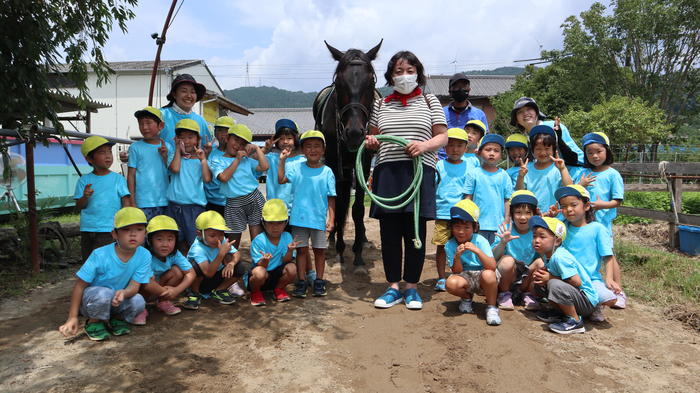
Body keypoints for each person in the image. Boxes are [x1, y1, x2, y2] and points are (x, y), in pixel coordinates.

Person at [365, 50, 447, 310]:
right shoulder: (380, 104)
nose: (404, 76)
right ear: (390, 76)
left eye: (409, 71)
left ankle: (411, 287)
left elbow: (442, 137)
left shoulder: (430, 101)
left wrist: (423, 146)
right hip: (388, 172)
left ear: (418, 74)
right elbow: (372, 138)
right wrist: (372, 142)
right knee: (389, 233)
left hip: (419, 171)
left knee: (415, 233)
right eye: (398, 72)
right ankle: (392, 288)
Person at [58, 207, 151, 341]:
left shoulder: (144, 255)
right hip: (94, 301)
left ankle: (116, 319)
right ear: (114, 234)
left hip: (117, 300)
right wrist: (72, 317)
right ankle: (94, 322)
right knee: (104, 294)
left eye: (139, 229)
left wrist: (124, 293)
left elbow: (134, 286)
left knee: (138, 301)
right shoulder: (100, 254)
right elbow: (79, 286)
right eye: (126, 229)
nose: (133, 234)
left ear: (145, 233)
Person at [278, 130, 336, 298]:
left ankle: (319, 280)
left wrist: (331, 219)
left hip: (318, 220)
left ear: (323, 150)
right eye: (308, 146)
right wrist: (282, 160)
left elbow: (331, 197)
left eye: (317, 146)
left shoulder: (327, 172)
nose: (313, 150)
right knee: (301, 251)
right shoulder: (296, 168)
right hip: (298, 219)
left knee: (319, 251)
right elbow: (281, 179)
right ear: (303, 150)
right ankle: (301, 281)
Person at [554, 185, 622, 322]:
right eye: (564, 206)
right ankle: (567, 308)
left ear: (586, 206)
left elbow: (608, 257)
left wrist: (609, 278)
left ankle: (595, 305)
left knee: (610, 299)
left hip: (591, 279)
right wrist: (551, 217)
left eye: (573, 205)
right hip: (567, 276)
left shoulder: (597, 229)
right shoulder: (562, 227)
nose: (568, 210)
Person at [578, 132, 626, 309]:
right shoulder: (584, 173)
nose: (595, 156)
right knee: (590, 255)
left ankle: (618, 291)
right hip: (585, 223)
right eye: (590, 153)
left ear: (607, 151)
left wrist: (601, 205)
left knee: (608, 255)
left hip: (603, 223)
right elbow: (576, 193)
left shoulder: (612, 174)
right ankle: (595, 288)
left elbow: (617, 200)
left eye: (598, 151)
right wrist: (581, 185)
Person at [530, 216, 599, 334]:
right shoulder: (549, 255)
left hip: (586, 302)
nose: (536, 240)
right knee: (540, 282)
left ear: (557, 241)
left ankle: (575, 321)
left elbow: (576, 282)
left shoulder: (560, 257)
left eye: (542, 236)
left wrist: (550, 278)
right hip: (576, 297)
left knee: (553, 284)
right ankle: (560, 313)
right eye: (534, 236)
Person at [444, 199, 502, 326]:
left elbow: (491, 266)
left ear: (474, 227)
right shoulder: (450, 244)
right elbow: (457, 272)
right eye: (457, 227)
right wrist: (457, 257)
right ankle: (466, 298)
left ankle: (491, 307)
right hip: (465, 276)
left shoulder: (480, 240)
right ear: (451, 227)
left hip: (483, 274)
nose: (461, 231)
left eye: (466, 227)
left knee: (488, 274)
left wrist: (477, 251)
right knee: (450, 283)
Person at [211, 123, 269, 248]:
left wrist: (258, 149)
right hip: (233, 203)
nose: (237, 145)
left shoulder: (246, 160)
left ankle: (258, 264)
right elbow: (223, 178)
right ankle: (232, 265)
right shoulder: (217, 160)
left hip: (253, 198)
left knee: (257, 237)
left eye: (242, 143)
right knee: (233, 240)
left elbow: (264, 166)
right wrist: (237, 160)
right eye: (235, 140)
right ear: (227, 138)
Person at [75, 136, 131, 262]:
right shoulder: (84, 181)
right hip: (88, 229)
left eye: (109, 152)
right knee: (89, 262)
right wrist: (85, 196)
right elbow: (79, 206)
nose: (108, 156)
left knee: (106, 262)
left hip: (109, 229)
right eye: (102, 152)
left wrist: (126, 224)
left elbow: (126, 201)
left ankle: (105, 282)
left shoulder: (118, 179)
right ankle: (91, 282)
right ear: (89, 159)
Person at [182, 211, 247, 310]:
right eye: (212, 236)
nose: (218, 239)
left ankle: (219, 290)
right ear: (200, 234)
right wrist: (221, 254)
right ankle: (194, 293)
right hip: (201, 281)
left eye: (221, 234)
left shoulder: (222, 240)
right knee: (194, 267)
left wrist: (231, 264)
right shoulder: (197, 249)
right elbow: (208, 273)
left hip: (216, 278)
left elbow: (237, 253)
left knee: (239, 267)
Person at [433, 128, 470, 292]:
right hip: (442, 213)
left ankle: (462, 274)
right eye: (451, 145)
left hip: (462, 215)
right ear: (444, 148)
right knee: (441, 246)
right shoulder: (439, 165)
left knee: (463, 246)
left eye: (459, 146)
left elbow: (470, 191)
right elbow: (432, 186)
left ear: (466, 148)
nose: (455, 149)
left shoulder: (470, 167)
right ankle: (441, 278)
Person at [491, 190, 542, 311]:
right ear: (512, 214)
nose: (523, 217)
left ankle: (529, 294)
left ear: (534, 214)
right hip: (508, 278)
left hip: (526, 277)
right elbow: (493, 257)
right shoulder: (505, 229)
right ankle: (504, 294)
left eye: (528, 213)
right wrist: (503, 242)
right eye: (518, 212)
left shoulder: (537, 232)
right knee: (507, 260)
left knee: (541, 262)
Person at [166, 119, 212, 251]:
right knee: (176, 242)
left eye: (190, 137)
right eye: (182, 138)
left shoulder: (200, 159)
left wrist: (203, 160)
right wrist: (176, 149)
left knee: (195, 242)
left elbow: (207, 179)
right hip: (174, 207)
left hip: (194, 208)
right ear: (176, 139)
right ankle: (183, 269)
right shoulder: (174, 156)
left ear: (197, 139)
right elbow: (174, 169)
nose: (186, 141)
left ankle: (196, 268)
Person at [140, 215, 196, 321]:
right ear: (149, 240)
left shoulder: (174, 254)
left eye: (170, 239)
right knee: (143, 280)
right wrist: (163, 291)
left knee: (177, 271)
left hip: (161, 288)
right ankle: (140, 307)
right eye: (159, 239)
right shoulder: (144, 255)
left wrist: (176, 290)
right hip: (144, 289)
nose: (165, 244)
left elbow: (191, 273)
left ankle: (163, 302)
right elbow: (146, 282)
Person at [247, 199, 301, 306]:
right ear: (263, 222)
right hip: (261, 276)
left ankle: (279, 289)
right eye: (270, 223)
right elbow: (260, 266)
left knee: (292, 268)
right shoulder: (258, 240)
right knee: (259, 272)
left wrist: (290, 251)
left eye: (279, 223)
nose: (275, 227)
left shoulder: (287, 237)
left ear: (286, 223)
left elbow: (286, 261)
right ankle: (256, 292)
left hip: (277, 276)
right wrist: (265, 260)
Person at [465, 133, 513, 244]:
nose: (492, 153)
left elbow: (507, 200)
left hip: (498, 225)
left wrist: (506, 219)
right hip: (478, 224)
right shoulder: (473, 173)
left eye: (496, 151)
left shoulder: (504, 175)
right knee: (478, 254)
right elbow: (468, 198)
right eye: (488, 149)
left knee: (495, 254)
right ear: (480, 152)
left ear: (501, 155)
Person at [515, 125, 573, 213]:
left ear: (554, 150)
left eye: (547, 148)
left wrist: (562, 169)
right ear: (532, 151)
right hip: (533, 218)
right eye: (538, 149)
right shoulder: (527, 169)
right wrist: (521, 177)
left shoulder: (558, 168)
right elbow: (519, 192)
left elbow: (570, 189)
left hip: (556, 217)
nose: (543, 152)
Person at [510, 97, 583, 166]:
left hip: (575, 170)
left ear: (537, 113)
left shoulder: (552, 126)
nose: (525, 113)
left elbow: (575, 154)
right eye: (520, 112)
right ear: (516, 120)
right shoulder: (524, 139)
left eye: (529, 109)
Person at [127, 107, 168, 221]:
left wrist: (165, 156)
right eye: (141, 124)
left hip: (165, 200)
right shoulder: (135, 147)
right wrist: (132, 200)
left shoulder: (168, 147)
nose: (144, 127)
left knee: (162, 235)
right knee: (144, 235)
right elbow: (131, 175)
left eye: (149, 123)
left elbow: (172, 171)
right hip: (142, 202)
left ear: (161, 126)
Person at [437, 73, 488, 160]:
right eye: (456, 87)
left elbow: (485, 140)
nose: (460, 89)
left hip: (470, 161)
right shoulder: (440, 112)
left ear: (469, 89)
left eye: (464, 86)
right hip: (442, 159)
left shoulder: (479, 114)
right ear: (450, 91)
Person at [159, 74, 212, 153]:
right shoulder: (161, 115)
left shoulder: (200, 120)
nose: (189, 95)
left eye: (193, 92)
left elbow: (208, 147)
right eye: (184, 91)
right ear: (174, 94)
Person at [263, 119, 306, 210]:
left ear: (295, 139)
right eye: (281, 138)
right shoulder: (271, 158)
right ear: (276, 141)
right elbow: (250, 159)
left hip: (295, 210)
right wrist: (265, 149)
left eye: (289, 138)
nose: (285, 141)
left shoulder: (302, 161)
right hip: (274, 209)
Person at [204, 116, 236, 217]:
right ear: (215, 132)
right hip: (211, 201)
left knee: (230, 232)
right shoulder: (210, 150)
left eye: (227, 131)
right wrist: (206, 154)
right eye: (220, 130)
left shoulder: (238, 154)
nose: (223, 134)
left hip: (232, 203)